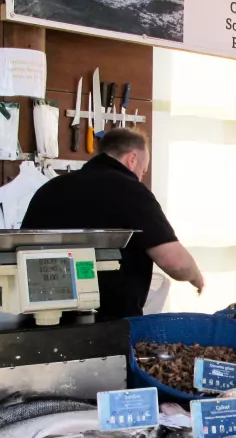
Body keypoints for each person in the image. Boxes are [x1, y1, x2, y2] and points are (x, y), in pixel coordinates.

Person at [21, 128, 204, 319]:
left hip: (42, 320)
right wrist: (195, 276)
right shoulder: (130, 190)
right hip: (107, 325)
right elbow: (173, 261)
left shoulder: (51, 188)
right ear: (132, 159)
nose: (141, 176)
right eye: (143, 170)